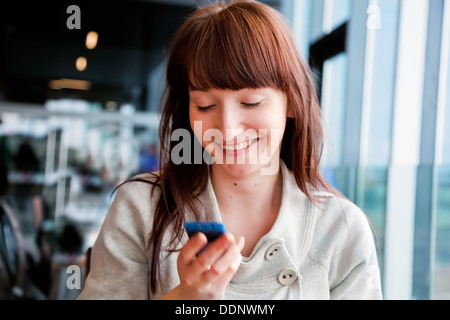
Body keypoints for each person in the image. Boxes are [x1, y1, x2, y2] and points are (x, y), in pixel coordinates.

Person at [78, 0, 382, 300]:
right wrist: (186, 298)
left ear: (291, 101)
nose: (226, 128)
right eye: (205, 105)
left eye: (251, 103)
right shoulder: (142, 209)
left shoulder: (342, 230)